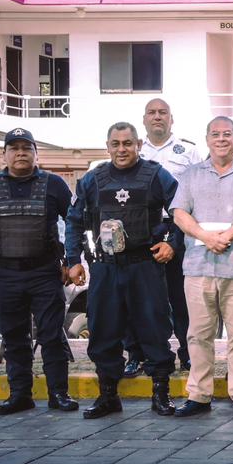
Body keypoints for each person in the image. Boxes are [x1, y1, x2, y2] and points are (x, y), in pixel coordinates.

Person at [65, 122, 181, 419]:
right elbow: (74, 220)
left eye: (127, 143)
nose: (121, 149)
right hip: (105, 267)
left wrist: (172, 243)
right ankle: (107, 396)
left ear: (138, 145)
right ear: (107, 147)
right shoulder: (93, 179)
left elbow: (182, 211)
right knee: (103, 331)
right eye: (115, 144)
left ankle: (161, 393)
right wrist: (73, 259)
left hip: (145, 266)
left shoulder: (156, 175)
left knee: (154, 329)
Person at [0, 128, 77, 416]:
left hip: (45, 273)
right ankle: (20, 395)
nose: (21, 153)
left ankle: (59, 394)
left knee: (52, 335)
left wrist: (71, 261)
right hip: (6, 275)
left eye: (27, 148)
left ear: (36, 153)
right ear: (4, 155)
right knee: (13, 336)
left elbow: (74, 222)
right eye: (14, 148)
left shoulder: (54, 184)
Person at [169, 116, 233, 419]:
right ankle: (199, 395)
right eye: (215, 134)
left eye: (227, 134)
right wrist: (206, 236)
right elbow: (179, 213)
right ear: (207, 139)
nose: (221, 139)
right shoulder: (191, 175)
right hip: (198, 268)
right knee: (198, 335)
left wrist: (226, 236)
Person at [122, 98, 201, 378]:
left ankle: (188, 353)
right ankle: (136, 354)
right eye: (152, 113)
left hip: (178, 229)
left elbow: (198, 193)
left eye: (162, 112)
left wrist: (181, 236)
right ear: (144, 119)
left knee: (182, 298)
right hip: (140, 230)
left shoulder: (189, 151)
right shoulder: (133, 150)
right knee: (139, 298)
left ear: (171, 118)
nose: (157, 116)